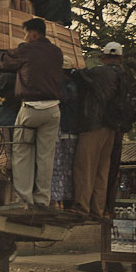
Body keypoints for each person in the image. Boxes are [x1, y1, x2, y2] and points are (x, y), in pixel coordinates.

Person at [0, 18, 63, 207]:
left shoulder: (26, 49)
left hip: (31, 109)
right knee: (45, 157)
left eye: (26, 33)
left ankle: (24, 199)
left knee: (22, 153)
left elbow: (4, 61)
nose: (25, 37)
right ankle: (42, 200)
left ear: (34, 33)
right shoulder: (57, 52)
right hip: (53, 109)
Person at [70, 42, 129, 220]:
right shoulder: (124, 75)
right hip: (111, 130)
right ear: (121, 58)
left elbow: (77, 75)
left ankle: (81, 207)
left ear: (103, 57)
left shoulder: (98, 72)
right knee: (101, 171)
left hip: (93, 126)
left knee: (85, 167)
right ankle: (98, 210)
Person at [50, 62, 79, 209]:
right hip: (69, 132)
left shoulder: (69, 87)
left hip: (65, 132)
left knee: (58, 167)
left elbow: (64, 98)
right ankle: (61, 201)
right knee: (66, 169)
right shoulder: (74, 85)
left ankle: (57, 201)